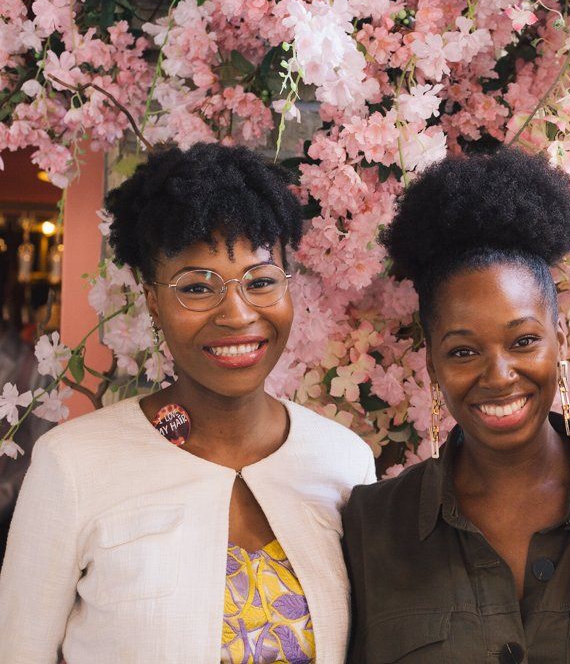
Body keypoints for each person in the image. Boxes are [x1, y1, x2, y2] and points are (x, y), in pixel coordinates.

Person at [0, 143, 376, 663]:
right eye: (198, 288)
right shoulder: (74, 464)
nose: (238, 314)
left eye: (262, 281)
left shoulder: (343, 461)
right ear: (153, 301)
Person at [342, 148, 570, 663]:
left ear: (559, 339)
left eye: (523, 342)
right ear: (430, 363)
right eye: (463, 351)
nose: (498, 376)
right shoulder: (372, 525)